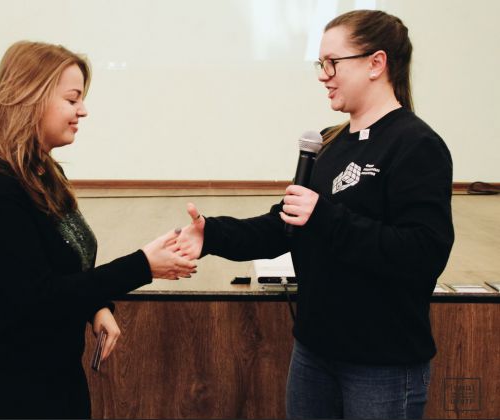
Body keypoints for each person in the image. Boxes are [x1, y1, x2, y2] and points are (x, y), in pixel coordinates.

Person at [176, 10, 454, 419]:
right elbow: (286, 224)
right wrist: (212, 235)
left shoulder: (416, 145)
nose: (323, 75)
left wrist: (325, 216)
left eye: (332, 62)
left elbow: (423, 253)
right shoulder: (329, 142)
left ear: (376, 63)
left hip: (381, 364)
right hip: (314, 354)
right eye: (320, 64)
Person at [0, 40, 196, 419]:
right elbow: (38, 297)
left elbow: (65, 269)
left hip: (56, 384)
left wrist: (96, 306)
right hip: (7, 397)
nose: (82, 110)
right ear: (30, 98)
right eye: (72, 99)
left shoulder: (46, 174)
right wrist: (143, 265)